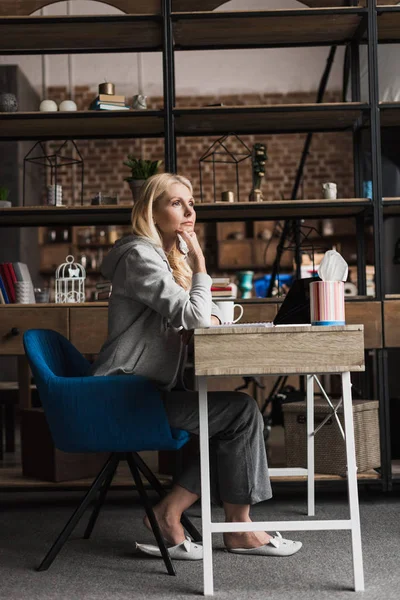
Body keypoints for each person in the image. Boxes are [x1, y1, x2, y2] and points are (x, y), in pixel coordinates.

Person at [91, 172, 302, 559]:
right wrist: (201, 261)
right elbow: (197, 317)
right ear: (151, 212)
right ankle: (235, 528)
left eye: (191, 203)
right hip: (123, 396)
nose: (189, 211)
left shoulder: (163, 258)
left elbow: (189, 320)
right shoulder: (140, 256)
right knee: (240, 412)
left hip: (143, 391)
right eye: (176, 203)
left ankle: (170, 513)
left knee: (230, 417)